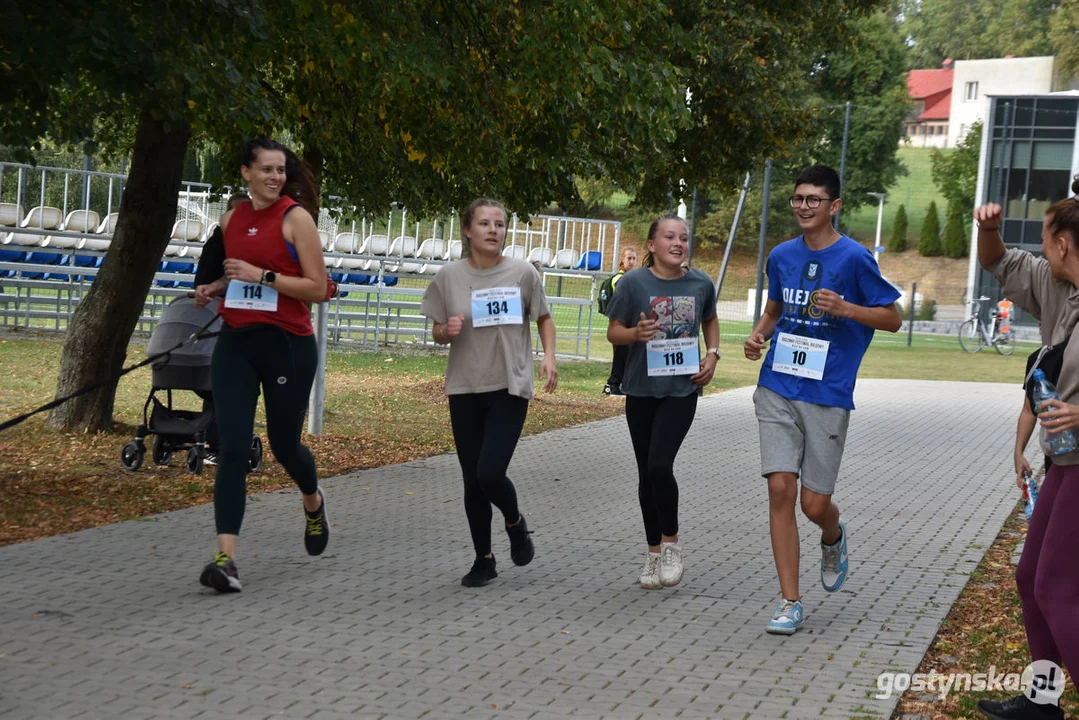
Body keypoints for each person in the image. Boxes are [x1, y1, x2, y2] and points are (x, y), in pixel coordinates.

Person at [743, 164, 901, 635]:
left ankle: (832, 536)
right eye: (798, 199)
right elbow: (776, 306)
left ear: (834, 206)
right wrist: (759, 335)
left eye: (814, 199)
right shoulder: (781, 255)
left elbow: (891, 318)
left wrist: (847, 308)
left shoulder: (855, 258)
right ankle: (790, 602)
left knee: (814, 505)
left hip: (828, 392)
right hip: (778, 385)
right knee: (779, 489)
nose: (804, 206)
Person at [192, 137, 330, 593]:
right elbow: (235, 271)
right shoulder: (232, 218)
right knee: (231, 446)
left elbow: (317, 287)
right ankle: (226, 560)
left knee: (284, 444)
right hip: (236, 341)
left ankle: (312, 502)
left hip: (287, 343)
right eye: (267, 170)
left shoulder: (296, 219)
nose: (275, 177)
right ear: (246, 173)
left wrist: (263, 277)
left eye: (280, 170)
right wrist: (214, 285)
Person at [972, 191, 1079, 720]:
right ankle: (1043, 702)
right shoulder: (1060, 286)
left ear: (1062, 243)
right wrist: (988, 227)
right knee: (1030, 577)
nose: (1038, 246)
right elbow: (999, 260)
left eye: (1043, 236)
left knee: (1058, 589)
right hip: (1065, 462)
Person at [420, 198, 558, 587]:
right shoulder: (449, 276)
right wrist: (444, 331)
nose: (493, 230)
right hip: (465, 386)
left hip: (509, 385)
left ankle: (514, 523)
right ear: (468, 230)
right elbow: (436, 331)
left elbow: (544, 318)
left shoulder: (522, 272)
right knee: (471, 480)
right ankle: (484, 558)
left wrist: (549, 357)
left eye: (499, 224)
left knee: (489, 472)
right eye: (484, 224)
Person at [605, 215, 719, 589]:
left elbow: (710, 319)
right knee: (645, 474)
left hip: (681, 390)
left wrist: (713, 355)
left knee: (658, 465)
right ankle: (653, 554)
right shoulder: (634, 283)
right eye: (669, 237)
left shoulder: (700, 282)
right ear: (652, 245)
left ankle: (671, 545)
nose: (678, 243)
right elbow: (613, 332)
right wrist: (635, 333)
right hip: (640, 390)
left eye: (684, 238)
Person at [192, 192, 251, 466]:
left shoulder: (222, 241)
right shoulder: (224, 244)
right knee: (224, 385)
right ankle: (218, 442)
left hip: (225, 318)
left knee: (222, 385)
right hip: (221, 319)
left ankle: (217, 439)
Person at [599, 246, 639, 396]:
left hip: (626, 325)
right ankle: (613, 384)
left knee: (625, 355)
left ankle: (617, 384)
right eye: (629, 258)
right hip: (621, 325)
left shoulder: (630, 278)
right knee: (621, 355)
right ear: (622, 260)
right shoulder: (620, 279)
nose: (632, 261)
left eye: (634, 258)